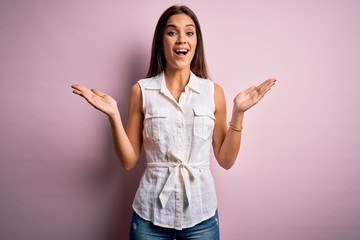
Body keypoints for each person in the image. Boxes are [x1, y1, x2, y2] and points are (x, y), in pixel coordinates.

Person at [71, 5, 276, 240]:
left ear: (196, 42)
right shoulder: (141, 91)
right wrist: (114, 115)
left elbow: (226, 160)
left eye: (189, 33)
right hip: (149, 216)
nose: (181, 40)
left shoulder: (213, 92)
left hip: (202, 217)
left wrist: (239, 112)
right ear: (161, 41)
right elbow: (128, 162)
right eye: (172, 32)